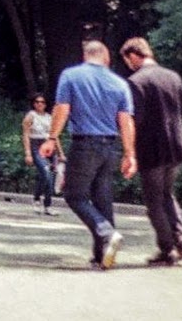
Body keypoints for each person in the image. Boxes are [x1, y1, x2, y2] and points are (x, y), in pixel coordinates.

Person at [42, 40, 136, 270]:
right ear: (107, 59)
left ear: (85, 56)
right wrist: (129, 153)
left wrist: (52, 138)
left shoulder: (71, 76)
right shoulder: (119, 83)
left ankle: (107, 233)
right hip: (110, 146)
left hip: (85, 144)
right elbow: (126, 121)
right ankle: (101, 256)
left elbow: (62, 109)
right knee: (102, 198)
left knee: (74, 195)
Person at [122, 37, 182, 265]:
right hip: (178, 145)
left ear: (133, 56)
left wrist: (129, 152)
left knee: (154, 200)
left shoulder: (135, 81)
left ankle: (167, 249)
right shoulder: (174, 76)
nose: (128, 65)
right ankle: (181, 240)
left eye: (127, 60)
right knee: (167, 194)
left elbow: (135, 119)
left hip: (152, 148)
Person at [21, 93, 56, 215]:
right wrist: (28, 153)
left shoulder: (49, 117)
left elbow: (54, 135)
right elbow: (25, 134)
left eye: (42, 102)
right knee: (46, 173)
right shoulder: (31, 116)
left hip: (48, 145)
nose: (39, 104)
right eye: (37, 102)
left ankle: (48, 204)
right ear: (34, 103)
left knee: (49, 175)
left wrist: (60, 153)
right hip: (36, 144)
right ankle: (37, 198)